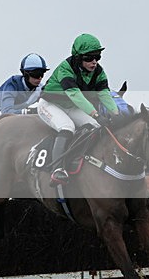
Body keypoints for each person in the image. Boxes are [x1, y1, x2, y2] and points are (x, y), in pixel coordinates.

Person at [38, 33, 119, 186]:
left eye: (97, 57)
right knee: (67, 127)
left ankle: (80, 162)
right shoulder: (65, 69)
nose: (94, 62)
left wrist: (116, 114)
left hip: (71, 107)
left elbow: (104, 94)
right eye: (89, 58)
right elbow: (75, 95)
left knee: (95, 127)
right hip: (50, 105)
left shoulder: (99, 72)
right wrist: (96, 114)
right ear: (77, 58)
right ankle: (58, 169)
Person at [0, 53, 49, 126]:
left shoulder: (40, 88)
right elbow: (7, 112)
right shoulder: (12, 85)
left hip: (17, 113)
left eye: (42, 73)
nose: (39, 78)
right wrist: (29, 111)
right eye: (36, 74)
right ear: (25, 73)